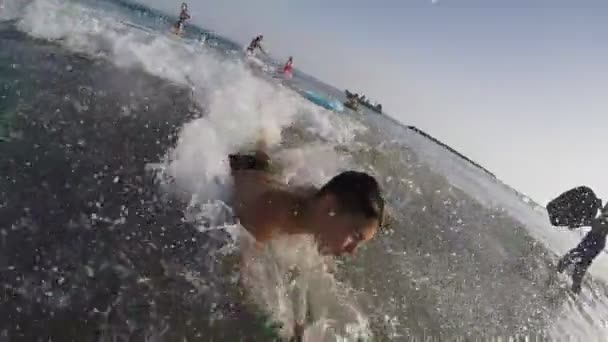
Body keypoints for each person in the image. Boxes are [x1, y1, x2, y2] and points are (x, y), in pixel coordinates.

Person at [228, 145, 384, 257]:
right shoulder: (275, 213)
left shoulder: (316, 204)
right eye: (355, 235)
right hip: (236, 168)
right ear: (330, 206)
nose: (351, 251)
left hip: (260, 172)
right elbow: (238, 267)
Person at [556, 201, 608, 294]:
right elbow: (600, 218)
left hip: (597, 237)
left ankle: (573, 284)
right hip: (596, 237)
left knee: (582, 258)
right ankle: (572, 283)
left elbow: (600, 218)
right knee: (581, 257)